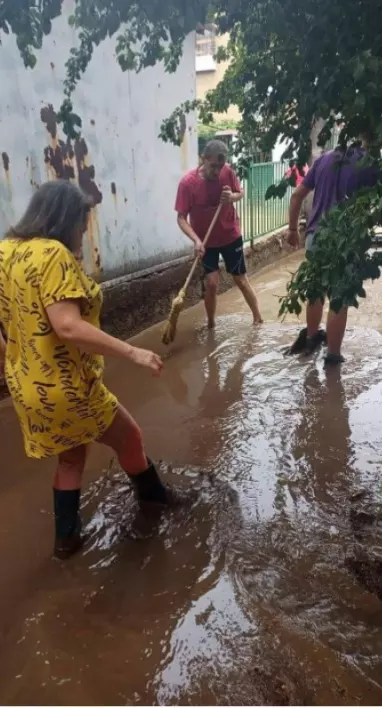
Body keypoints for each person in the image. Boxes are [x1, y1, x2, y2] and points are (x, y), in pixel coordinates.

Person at [0, 180, 184, 560]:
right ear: (65, 219)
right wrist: (133, 352)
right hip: (68, 385)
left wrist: (13, 361)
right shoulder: (52, 255)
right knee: (129, 437)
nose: (83, 234)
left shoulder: (6, 252)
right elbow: (67, 326)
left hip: (30, 387)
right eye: (82, 225)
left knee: (70, 457)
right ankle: (155, 502)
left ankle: (66, 541)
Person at [285, 133, 381, 367]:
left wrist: (291, 230)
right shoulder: (368, 163)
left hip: (315, 237)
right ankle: (333, 357)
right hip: (344, 240)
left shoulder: (324, 159)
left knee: (314, 292)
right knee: (340, 299)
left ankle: (310, 340)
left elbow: (297, 195)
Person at [175, 140, 263, 328]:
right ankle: (211, 324)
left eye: (220, 166)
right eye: (213, 166)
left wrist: (231, 197)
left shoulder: (228, 172)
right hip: (205, 242)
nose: (217, 171)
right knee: (212, 283)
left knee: (240, 279)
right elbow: (181, 218)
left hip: (230, 235)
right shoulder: (188, 184)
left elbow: (240, 192)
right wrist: (197, 241)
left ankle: (258, 318)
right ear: (203, 159)